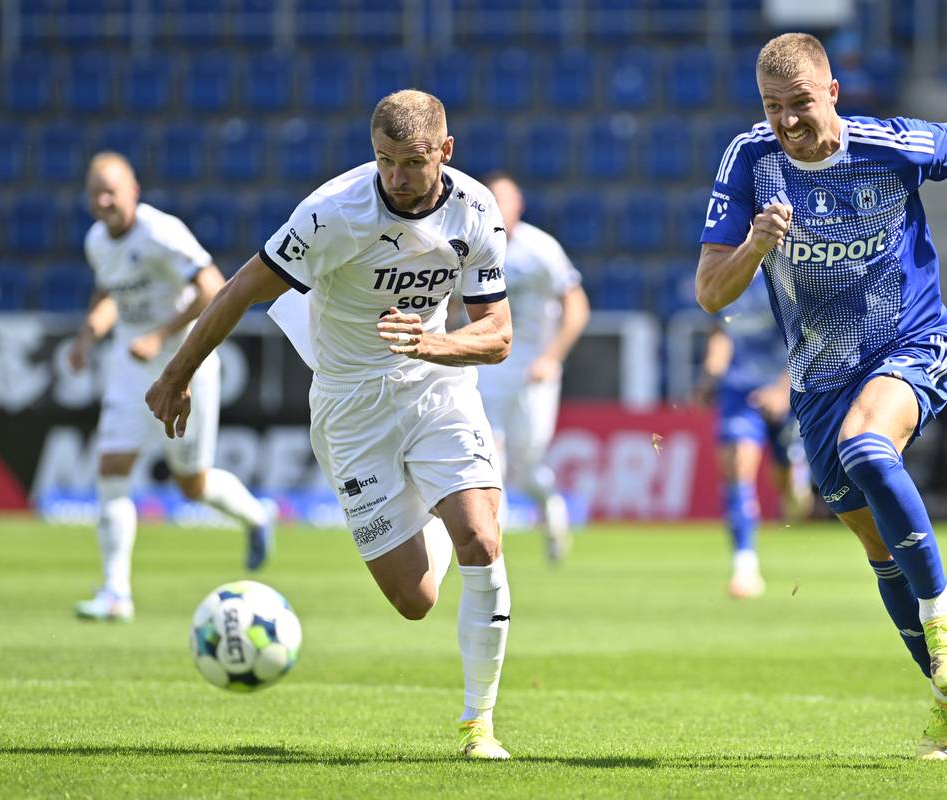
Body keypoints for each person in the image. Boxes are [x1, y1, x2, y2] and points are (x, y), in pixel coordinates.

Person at [695, 33, 947, 760]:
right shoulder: (749, 161)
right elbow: (711, 291)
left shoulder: (892, 144)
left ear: (832, 92)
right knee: (878, 549)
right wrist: (754, 245)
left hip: (911, 344)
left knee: (868, 447)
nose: (787, 122)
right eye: (774, 107)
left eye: (801, 104)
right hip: (818, 378)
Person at [145, 91, 514, 760]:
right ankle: (441, 506)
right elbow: (239, 289)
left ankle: (478, 725)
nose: (397, 178)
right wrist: (178, 373)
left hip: (436, 387)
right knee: (416, 599)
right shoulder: (331, 214)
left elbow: (497, 335)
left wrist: (434, 346)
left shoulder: (478, 211)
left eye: (412, 161)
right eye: (384, 161)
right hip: (349, 406)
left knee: (483, 543)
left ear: (446, 152)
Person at [70, 152, 274, 623]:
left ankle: (257, 517)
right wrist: (88, 336)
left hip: (187, 364)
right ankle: (115, 592)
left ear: (133, 192)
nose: (104, 201)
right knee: (111, 466)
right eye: (96, 193)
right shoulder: (97, 241)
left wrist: (159, 336)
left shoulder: (162, 232)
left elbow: (213, 287)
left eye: (112, 191)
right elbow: (110, 293)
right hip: (131, 365)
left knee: (192, 484)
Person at [475, 172, 590, 563]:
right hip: (490, 366)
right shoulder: (472, 248)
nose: (499, 208)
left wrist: (551, 358)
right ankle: (494, 549)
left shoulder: (541, 250)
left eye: (505, 200)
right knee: (492, 455)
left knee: (527, 465)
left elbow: (577, 306)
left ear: (518, 206)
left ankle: (551, 505)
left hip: (534, 371)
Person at [694, 268, 812, 598]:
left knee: (789, 492)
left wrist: (780, 389)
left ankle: (796, 475)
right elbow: (720, 329)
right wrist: (710, 375)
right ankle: (745, 565)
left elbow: (807, 338)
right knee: (736, 466)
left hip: (787, 388)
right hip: (739, 391)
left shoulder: (787, 276)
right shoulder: (727, 270)